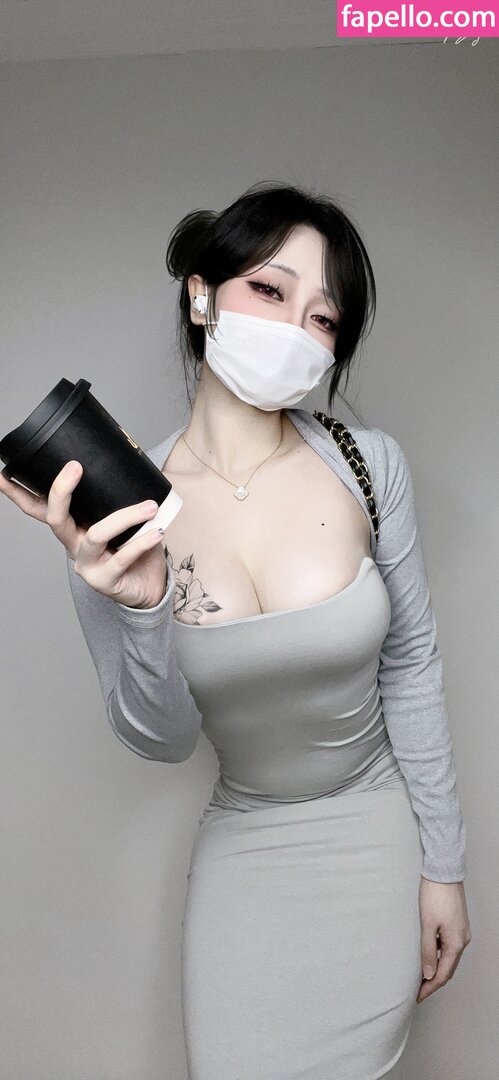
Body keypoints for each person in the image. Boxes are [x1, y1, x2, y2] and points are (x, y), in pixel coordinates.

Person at [1, 181, 472, 1079]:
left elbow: (411, 664)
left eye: (323, 318)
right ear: (200, 294)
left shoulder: (368, 467)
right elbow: (162, 739)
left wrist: (442, 868)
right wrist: (141, 604)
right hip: (246, 848)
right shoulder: (118, 511)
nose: (295, 328)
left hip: (375, 843)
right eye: (268, 289)